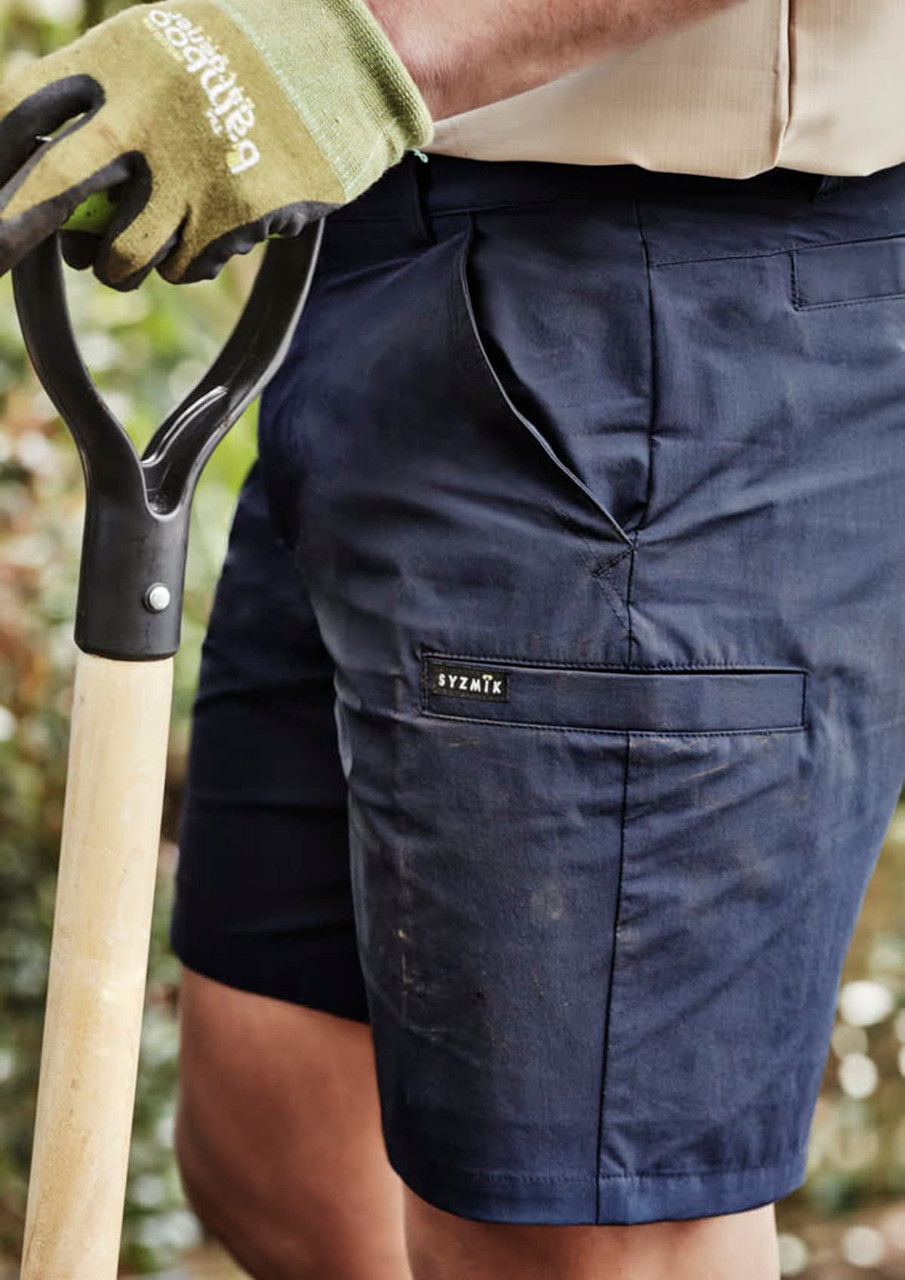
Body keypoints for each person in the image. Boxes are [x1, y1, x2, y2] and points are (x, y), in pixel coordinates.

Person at [3, 2, 905, 1277]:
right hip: (363, 242)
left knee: (575, 1230)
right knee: (277, 1128)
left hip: (657, 297)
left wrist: (348, 49)